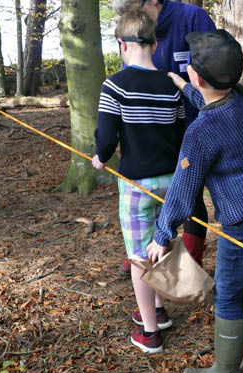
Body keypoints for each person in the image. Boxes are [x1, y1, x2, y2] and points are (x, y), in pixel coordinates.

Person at [146, 29, 243, 373]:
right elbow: (211, 97)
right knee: (240, 286)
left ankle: (224, 372)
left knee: (225, 296)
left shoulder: (201, 131)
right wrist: (182, 85)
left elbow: (182, 187)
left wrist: (162, 234)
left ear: (197, 74)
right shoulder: (240, 100)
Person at [91, 10, 185, 353]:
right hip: (172, 182)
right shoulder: (170, 82)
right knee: (160, 244)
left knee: (139, 257)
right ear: (155, 43)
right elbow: (179, 129)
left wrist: (100, 157)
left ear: (122, 44)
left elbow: (106, 133)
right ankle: (158, 310)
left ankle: (150, 332)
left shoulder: (114, 84)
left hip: (137, 185)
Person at [113, 0, 215, 274]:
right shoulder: (134, 29)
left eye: (134, 9)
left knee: (189, 194)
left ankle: (192, 264)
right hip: (153, 134)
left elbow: (214, 72)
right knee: (152, 195)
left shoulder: (193, 19)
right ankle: (149, 254)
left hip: (194, 128)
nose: (132, 18)